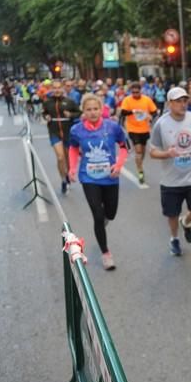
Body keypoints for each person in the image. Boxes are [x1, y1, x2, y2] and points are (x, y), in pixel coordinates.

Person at [68, 93, 127, 270]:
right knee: (97, 215)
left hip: (110, 177)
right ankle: (106, 253)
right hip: (88, 177)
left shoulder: (112, 127)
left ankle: (105, 218)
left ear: (102, 110)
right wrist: (72, 168)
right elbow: (73, 148)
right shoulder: (76, 130)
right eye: (89, 110)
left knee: (111, 213)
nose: (93, 112)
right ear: (83, 111)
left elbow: (124, 147)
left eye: (96, 109)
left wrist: (118, 165)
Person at [150, 87, 191, 256]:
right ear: (169, 104)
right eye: (178, 101)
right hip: (171, 180)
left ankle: (186, 221)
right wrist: (167, 153)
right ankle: (174, 239)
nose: (183, 104)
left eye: (185, 100)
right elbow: (152, 151)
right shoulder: (161, 124)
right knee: (172, 214)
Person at [42, 81, 82, 194]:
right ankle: (63, 180)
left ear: (62, 88)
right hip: (54, 132)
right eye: (54, 88)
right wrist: (46, 116)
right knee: (60, 157)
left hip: (68, 132)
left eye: (59, 88)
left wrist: (71, 115)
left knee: (68, 159)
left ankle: (68, 174)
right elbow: (44, 113)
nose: (57, 90)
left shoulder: (69, 101)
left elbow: (79, 112)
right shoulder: (47, 102)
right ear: (51, 89)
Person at [120, 82, 158, 184]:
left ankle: (140, 165)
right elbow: (123, 112)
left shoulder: (146, 99)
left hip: (144, 129)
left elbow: (155, 111)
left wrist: (151, 117)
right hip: (132, 129)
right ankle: (140, 171)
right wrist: (133, 111)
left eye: (137, 92)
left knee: (143, 152)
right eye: (133, 92)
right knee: (138, 151)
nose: (135, 94)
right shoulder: (127, 100)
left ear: (140, 91)